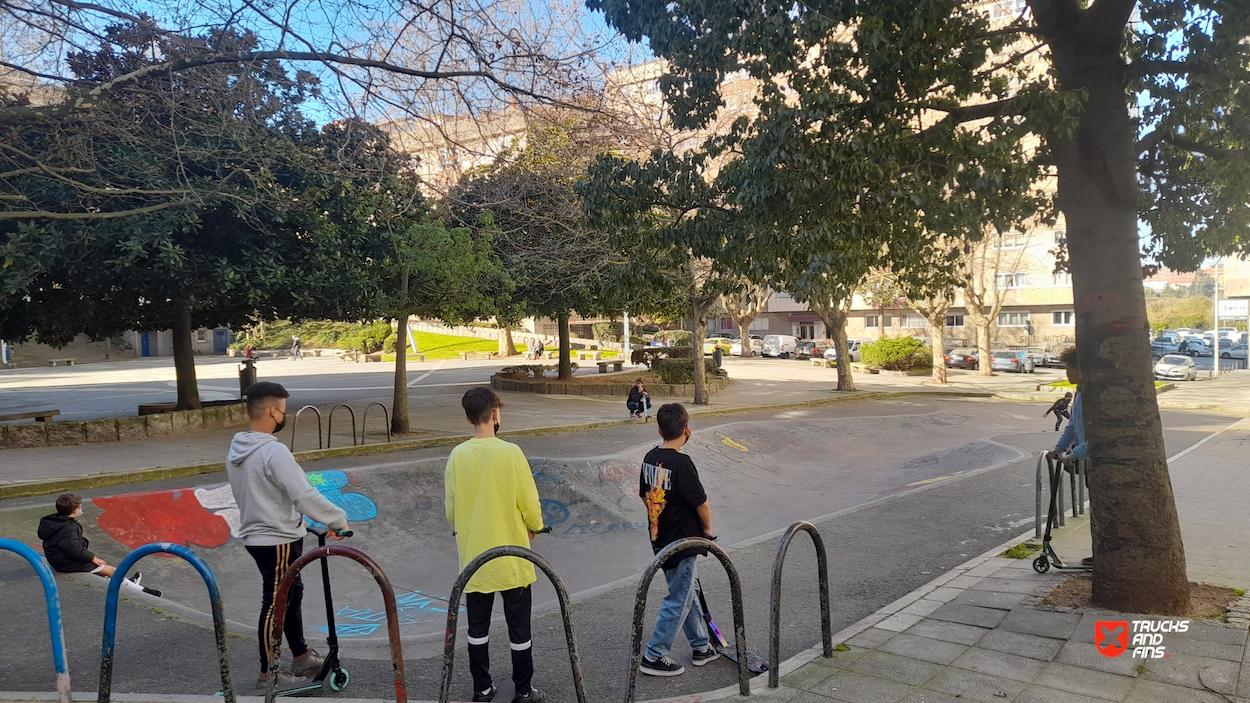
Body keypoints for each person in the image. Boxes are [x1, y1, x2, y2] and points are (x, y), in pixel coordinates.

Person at [228, 382, 350, 689]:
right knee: (275, 601)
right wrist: (336, 518)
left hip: (262, 534)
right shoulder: (272, 451)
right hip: (276, 537)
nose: (284, 416)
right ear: (272, 411)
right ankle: (268, 673)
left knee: (291, 594)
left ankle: (301, 655)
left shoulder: (238, 449)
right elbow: (303, 494)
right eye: (283, 410)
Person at [445, 387, 546, 703]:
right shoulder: (511, 452)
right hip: (511, 556)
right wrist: (535, 526)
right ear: (496, 414)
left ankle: (482, 688)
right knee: (519, 629)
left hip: (475, 557)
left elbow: (451, 508)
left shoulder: (457, 456)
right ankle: (523, 688)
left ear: (468, 418)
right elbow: (528, 501)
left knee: (478, 628)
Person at [637, 403, 718, 677]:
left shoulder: (650, 457)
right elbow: (701, 502)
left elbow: (644, 494)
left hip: (659, 536)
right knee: (679, 597)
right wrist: (707, 530)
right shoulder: (682, 463)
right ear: (687, 429)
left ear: (659, 430)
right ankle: (654, 655)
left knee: (687, 592)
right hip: (682, 540)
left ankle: (701, 646)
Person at [37, 494, 160, 595]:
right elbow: (73, 549)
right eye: (80, 507)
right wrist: (92, 558)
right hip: (66, 562)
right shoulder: (69, 528)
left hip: (57, 559)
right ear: (75, 510)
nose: (81, 509)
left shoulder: (53, 522)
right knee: (112, 571)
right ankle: (143, 592)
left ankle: (128, 583)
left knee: (103, 573)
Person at [1045, 347, 1090, 565]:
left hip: (1098, 460)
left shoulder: (1094, 394)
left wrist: (1074, 454)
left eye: (1068, 369)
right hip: (1088, 460)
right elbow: (1072, 427)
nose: (1066, 374)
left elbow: (1099, 435)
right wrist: (1059, 449)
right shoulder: (1080, 392)